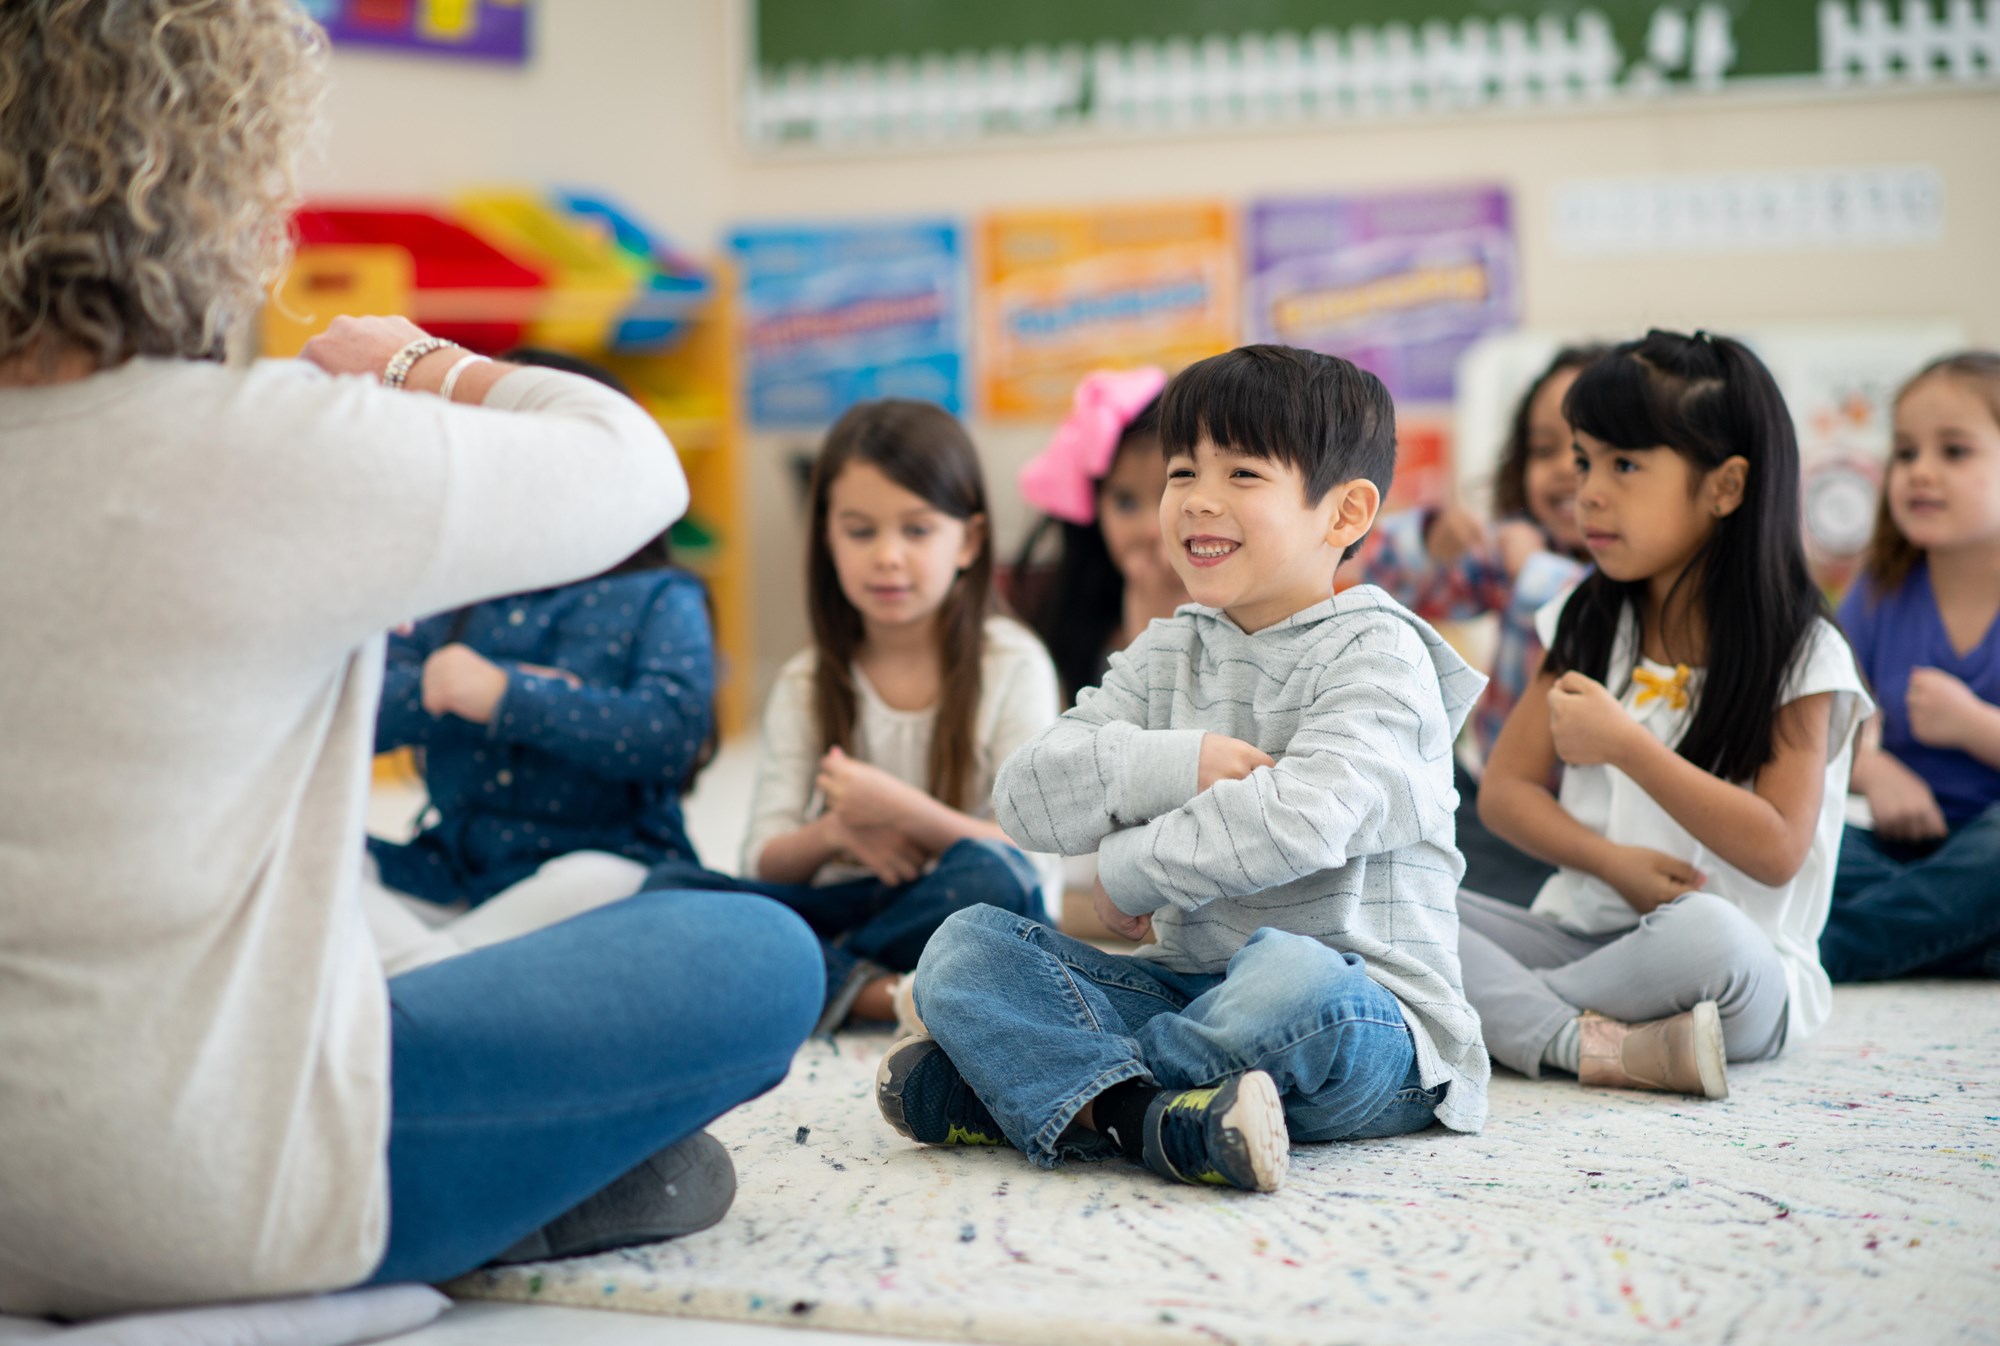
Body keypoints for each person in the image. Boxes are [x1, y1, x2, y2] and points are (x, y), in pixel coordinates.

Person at [0, 2, 820, 1317]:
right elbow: (636, 464)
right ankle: (522, 1193)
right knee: (755, 950)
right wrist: (419, 360)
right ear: (223, 180)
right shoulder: (275, 445)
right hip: (226, 1201)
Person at [876, 345, 1491, 1194]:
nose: (1198, 499)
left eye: (1242, 473)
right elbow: (1024, 798)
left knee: (1288, 975)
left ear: (1344, 513)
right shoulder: (1167, 652)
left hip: (1365, 1023)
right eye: (1180, 471)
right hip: (1193, 999)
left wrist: (1129, 870)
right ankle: (1149, 1117)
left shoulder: (1382, 653)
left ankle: (1052, 1091)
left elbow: (1299, 821)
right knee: (962, 950)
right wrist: (1179, 761)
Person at [1459, 330, 1872, 1102]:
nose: (1588, 492)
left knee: (1708, 933)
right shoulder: (1586, 617)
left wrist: (1628, 746)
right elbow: (1505, 795)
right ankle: (1582, 1042)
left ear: (1725, 487)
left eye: (1624, 465)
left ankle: (1497, 1010)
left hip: (1729, 969)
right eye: (1584, 461)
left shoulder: (1801, 649)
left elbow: (1778, 848)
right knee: (1392, 896)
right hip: (1581, 931)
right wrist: (1612, 864)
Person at [647, 399, 1063, 1032]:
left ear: (969, 541)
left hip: (957, 904)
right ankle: (889, 995)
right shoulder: (806, 681)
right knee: (668, 893)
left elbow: (1028, 856)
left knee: (995, 879)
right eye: (861, 531)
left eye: (917, 530)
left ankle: (810, 977)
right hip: (844, 903)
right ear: (828, 539)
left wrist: (897, 808)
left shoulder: (1012, 662)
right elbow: (764, 858)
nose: (888, 556)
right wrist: (835, 835)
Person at [361, 349, 719, 975]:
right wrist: (435, 690)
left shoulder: (658, 594)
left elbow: (671, 733)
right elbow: (352, 715)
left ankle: (430, 977)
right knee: (309, 861)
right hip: (450, 876)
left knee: (606, 884)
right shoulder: (448, 586)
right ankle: (450, 974)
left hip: (596, 866)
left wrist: (511, 696)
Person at [1354, 347, 1604, 903]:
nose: (1565, 466)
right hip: (1498, 808)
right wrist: (1433, 537)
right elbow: (1376, 576)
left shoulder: (1564, 569)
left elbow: (1581, 611)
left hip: (1593, 829)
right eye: (1545, 449)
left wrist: (1530, 569)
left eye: (1592, 452)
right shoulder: (1519, 543)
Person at [1821, 352, 2000, 981]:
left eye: (1954, 452)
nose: (1920, 472)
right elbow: (1832, 723)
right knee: (1808, 848)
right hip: (1907, 851)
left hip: (1991, 846)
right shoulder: (1879, 591)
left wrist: (1974, 725)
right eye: (1904, 452)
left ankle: (1826, 953)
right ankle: (1965, 937)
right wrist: (1875, 768)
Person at [1013, 366, 1189, 705]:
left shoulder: (1248, 616)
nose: (1151, 529)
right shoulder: (1070, 622)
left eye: (1173, 492)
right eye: (1125, 502)